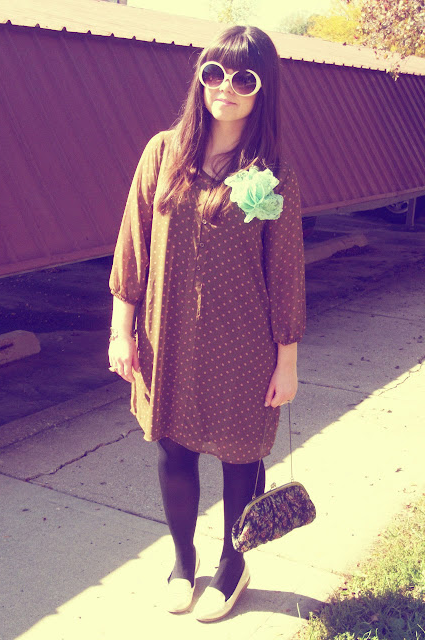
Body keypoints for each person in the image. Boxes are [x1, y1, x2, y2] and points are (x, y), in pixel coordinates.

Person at [108, 24, 306, 622]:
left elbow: (284, 272)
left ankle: (231, 564)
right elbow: (132, 245)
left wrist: (287, 361)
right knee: (173, 451)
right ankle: (182, 560)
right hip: (166, 336)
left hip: (243, 343)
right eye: (214, 73)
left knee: (240, 456)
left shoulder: (269, 175)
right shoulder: (163, 152)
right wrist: (121, 331)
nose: (226, 87)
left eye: (244, 79)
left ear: (263, 89)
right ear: (201, 77)